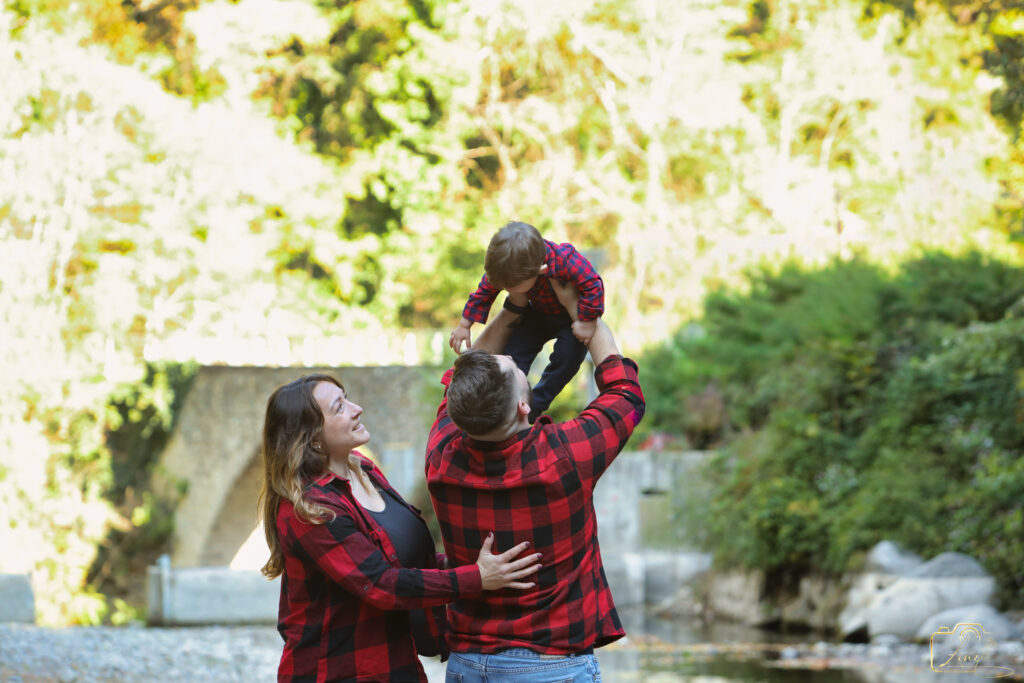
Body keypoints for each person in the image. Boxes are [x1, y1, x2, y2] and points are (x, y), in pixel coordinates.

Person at [258, 373, 542, 683]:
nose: (357, 409)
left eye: (347, 397)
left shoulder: (362, 468)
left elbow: (407, 558)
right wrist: (477, 578)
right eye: (339, 407)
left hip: (395, 665)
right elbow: (381, 584)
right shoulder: (309, 510)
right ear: (312, 437)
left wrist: (479, 564)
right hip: (336, 672)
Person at [427, 281, 645, 682]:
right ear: (524, 404)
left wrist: (511, 308)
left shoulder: (442, 456)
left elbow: (465, 371)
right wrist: (587, 315)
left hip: (467, 664)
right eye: (513, 366)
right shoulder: (564, 455)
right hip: (550, 666)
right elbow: (627, 394)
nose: (511, 357)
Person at [448, 221, 604, 422]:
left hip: (568, 319)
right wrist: (464, 325)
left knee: (567, 358)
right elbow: (483, 292)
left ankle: (535, 405)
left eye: (510, 286)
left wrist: (588, 320)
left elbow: (593, 283)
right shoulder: (509, 267)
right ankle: (508, 401)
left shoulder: (564, 260)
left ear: (539, 269)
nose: (506, 289)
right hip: (537, 314)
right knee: (513, 355)